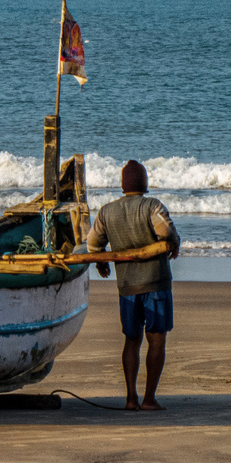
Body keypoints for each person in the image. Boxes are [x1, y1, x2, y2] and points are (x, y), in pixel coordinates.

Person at [87, 160, 180, 411]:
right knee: (156, 339)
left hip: (127, 285)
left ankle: (130, 399)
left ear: (122, 185)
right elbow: (167, 232)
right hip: (156, 282)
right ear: (145, 183)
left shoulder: (107, 211)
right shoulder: (152, 205)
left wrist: (101, 263)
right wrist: (176, 243)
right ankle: (149, 399)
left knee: (131, 339)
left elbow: (93, 243)